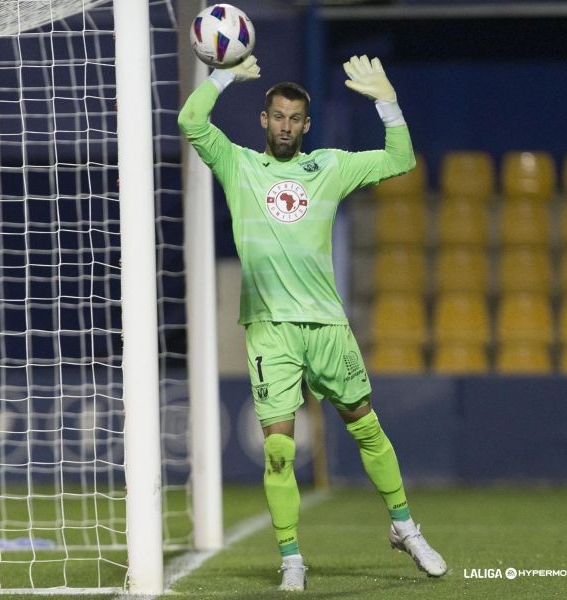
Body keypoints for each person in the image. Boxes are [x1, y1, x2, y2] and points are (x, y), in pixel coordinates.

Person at [178, 55, 447, 591]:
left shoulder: (329, 166)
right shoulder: (238, 166)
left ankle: (403, 526)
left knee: (366, 427)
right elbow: (190, 122)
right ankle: (292, 559)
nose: (284, 125)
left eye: (294, 118)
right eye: (276, 116)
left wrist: (385, 100)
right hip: (269, 328)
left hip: (326, 325)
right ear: (263, 120)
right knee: (279, 449)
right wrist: (224, 74)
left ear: (306, 124)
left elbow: (401, 160)